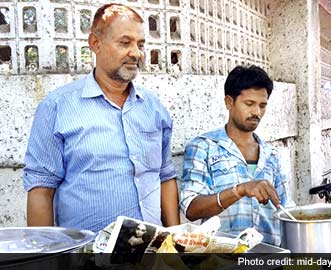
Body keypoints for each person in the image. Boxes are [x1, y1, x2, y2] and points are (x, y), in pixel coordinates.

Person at [23, 3, 179, 232]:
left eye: (141, 44)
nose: (136, 53)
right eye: (125, 43)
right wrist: (45, 257)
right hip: (88, 256)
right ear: (95, 44)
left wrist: (176, 239)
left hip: (153, 254)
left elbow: (165, 177)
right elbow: (41, 189)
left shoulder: (153, 108)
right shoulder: (57, 107)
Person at [180, 65, 294, 246]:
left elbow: (286, 209)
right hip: (222, 259)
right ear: (229, 102)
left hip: (269, 257)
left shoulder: (271, 154)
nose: (257, 112)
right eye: (249, 104)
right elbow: (191, 208)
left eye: (262, 105)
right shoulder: (204, 147)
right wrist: (239, 190)